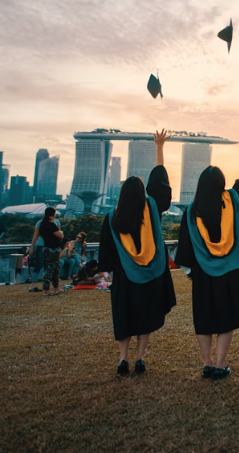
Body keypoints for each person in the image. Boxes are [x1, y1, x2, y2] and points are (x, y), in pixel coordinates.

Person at [174, 132, 239, 381]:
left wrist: (190, 271)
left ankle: (207, 363)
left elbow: (185, 245)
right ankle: (221, 365)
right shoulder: (233, 199)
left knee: (204, 317)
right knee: (226, 317)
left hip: (203, 271)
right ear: (222, 183)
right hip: (231, 270)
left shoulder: (192, 211)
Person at [98, 129, 176, 376]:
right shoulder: (151, 208)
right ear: (143, 194)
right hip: (150, 275)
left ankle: (123, 359)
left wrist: (106, 274)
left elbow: (106, 253)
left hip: (124, 276)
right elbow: (160, 183)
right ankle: (140, 359)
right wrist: (160, 147)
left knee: (125, 317)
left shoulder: (111, 218)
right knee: (146, 316)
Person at [28, 207, 64, 295]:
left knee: (49, 267)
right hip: (47, 247)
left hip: (47, 247)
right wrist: (32, 247)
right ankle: (40, 287)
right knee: (46, 266)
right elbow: (60, 235)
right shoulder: (47, 224)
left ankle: (54, 288)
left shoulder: (49, 223)